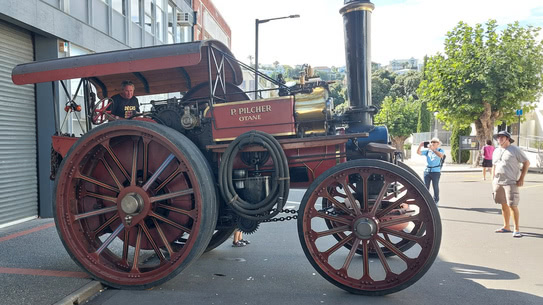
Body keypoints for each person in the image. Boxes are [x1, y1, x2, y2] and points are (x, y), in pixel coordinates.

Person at [492, 130, 530, 238]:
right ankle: (506, 226)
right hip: (498, 181)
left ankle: (516, 229)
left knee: (512, 205)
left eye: (502, 137)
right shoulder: (496, 151)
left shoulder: (515, 150)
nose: (500, 139)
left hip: (511, 182)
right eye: (498, 137)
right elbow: (494, 166)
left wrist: (521, 178)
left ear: (508, 139)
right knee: (503, 204)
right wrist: (493, 180)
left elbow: (526, 162)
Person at [417, 137, 445, 204]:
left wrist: (433, 150)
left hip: (436, 171)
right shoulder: (428, 151)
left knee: (435, 186)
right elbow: (418, 152)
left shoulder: (440, 150)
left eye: (434, 142)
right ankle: (426, 200)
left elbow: (441, 156)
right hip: (427, 171)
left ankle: (436, 200)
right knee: (426, 187)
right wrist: (420, 145)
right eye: (432, 142)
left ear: (438, 144)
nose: (432, 143)